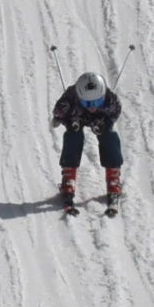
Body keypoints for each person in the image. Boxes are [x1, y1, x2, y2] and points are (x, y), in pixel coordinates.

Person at [52, 72, 123, 208]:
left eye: (97, 102)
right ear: (79, 96)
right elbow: (58, 114)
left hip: (100, 118)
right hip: (78, 116)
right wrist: (69, 122)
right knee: (73, 135)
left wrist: (105, 124)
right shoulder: (68, 101)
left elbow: (115, 112)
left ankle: (113, 177)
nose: (92, 107)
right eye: (86, 102)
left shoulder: (111, 100)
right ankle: (68, 176)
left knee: (109, 136)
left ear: (103, 95)